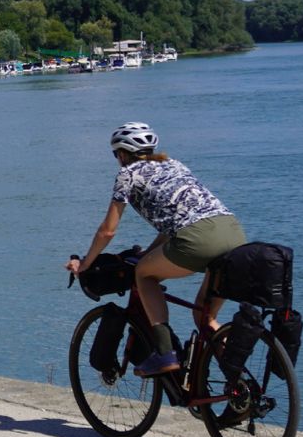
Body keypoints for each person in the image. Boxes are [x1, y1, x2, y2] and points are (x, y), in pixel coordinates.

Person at [64, 122, 246, 378]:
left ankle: (165, 352)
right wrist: (149, 252)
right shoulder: (175, 165)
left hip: (198, 240)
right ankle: (240, 388)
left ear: (123, 154)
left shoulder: (128, 174)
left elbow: (108, 231)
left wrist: (85, 263)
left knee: (143, 274)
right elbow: (177, 219)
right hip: (235, 235)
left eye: (116, 154)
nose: (117, 160)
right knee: (204, 318)